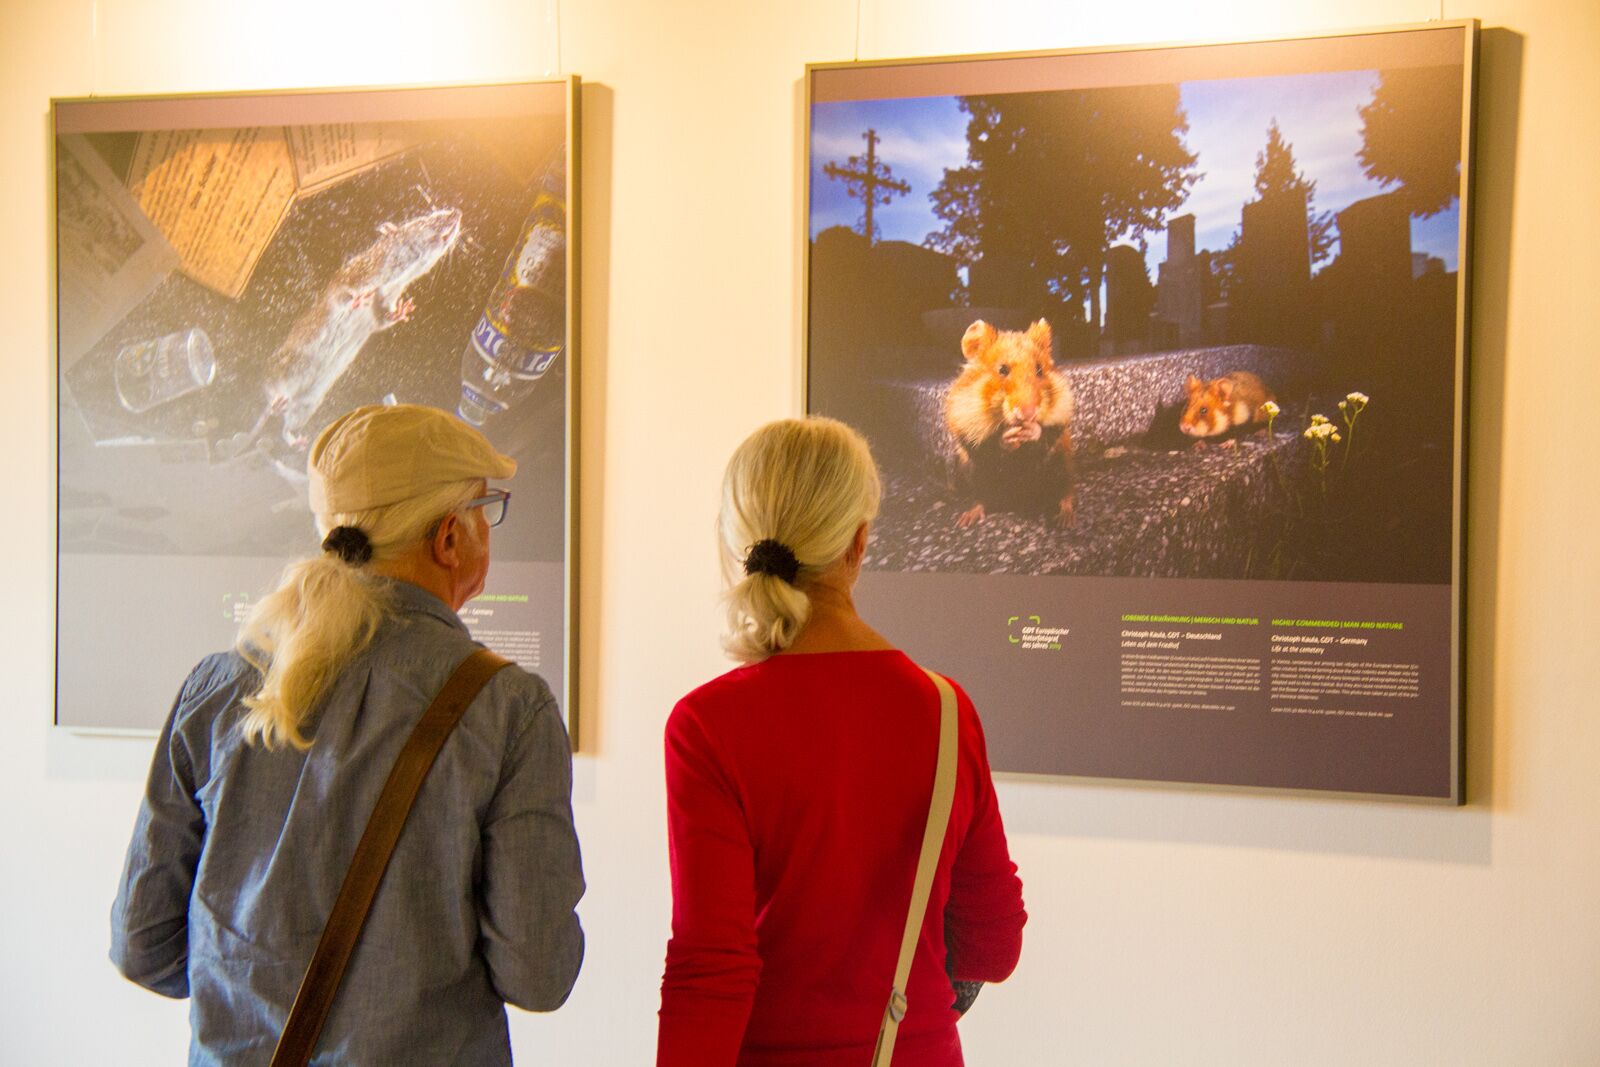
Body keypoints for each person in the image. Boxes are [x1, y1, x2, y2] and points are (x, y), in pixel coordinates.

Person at [110, 403, 585, 1065]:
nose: (487, 527)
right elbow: (539, 973)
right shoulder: (510, 709)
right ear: (449, 537)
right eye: (486, 508)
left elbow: (143, 943)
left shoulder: (217, 688)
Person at [657, 416, 1026, 1066]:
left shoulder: (708, 725)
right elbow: (993, 942)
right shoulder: (945, 709)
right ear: (859, 542)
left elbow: (710, 968)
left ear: (738, 544)